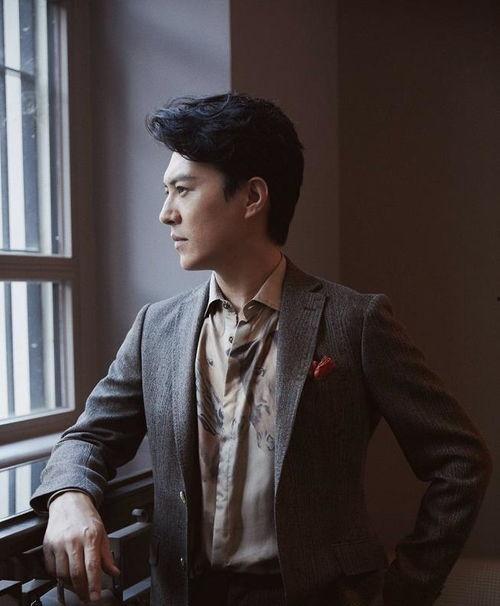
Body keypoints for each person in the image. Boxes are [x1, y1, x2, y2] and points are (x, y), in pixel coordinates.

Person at [31, 92, 492, 606]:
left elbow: (460, 461)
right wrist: (69, 496)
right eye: (166, 192)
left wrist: (406, 591)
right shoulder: (156, 328)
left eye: (183, 190)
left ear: (252, 197)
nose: (165, 214)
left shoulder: (354, 322)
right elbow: (89, 437)